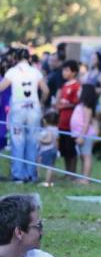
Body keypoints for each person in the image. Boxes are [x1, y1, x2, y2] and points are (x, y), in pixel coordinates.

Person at [0, 48, 49, 182]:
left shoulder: (12, 72)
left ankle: (18, 175)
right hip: (34, 108)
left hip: (18, 109)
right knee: (32, 142)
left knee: (17, 141)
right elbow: (45, 90)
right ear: (29, 58)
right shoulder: (35, 72)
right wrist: (42, 102)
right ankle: (31, 174)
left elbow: (1, 87)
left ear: (15, 58)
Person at [70, 84, 99, 185]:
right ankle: (82, 176)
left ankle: (86, 179)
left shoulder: (87, 107)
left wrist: (82, 136)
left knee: (86, 156)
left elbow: (86, 123)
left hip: (86, 135)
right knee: (82, 156)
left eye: (80, 90)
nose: (78, 92)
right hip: (80, 135)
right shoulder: (81, 105)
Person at [56, 60, 81, 177]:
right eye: (63, 70)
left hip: (72, 122)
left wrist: (66, 105)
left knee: (71, 149)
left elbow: (78, 103)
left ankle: (72, 172)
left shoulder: (77, 86)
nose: (64, 72)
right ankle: (67, 172)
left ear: (74, 72)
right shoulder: (64, 86)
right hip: (62, 121)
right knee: (64, 149)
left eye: (67, 70)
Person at [37, 111, 59, 188]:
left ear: (45, 121)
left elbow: (49, 140)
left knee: (48, 167)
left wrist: (40, 140)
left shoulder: (48, 129)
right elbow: (56, 140)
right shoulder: (56, 129)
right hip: (53, 150)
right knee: (51, 166)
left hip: (47, 150)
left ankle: (46, 182)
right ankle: (49, 181)